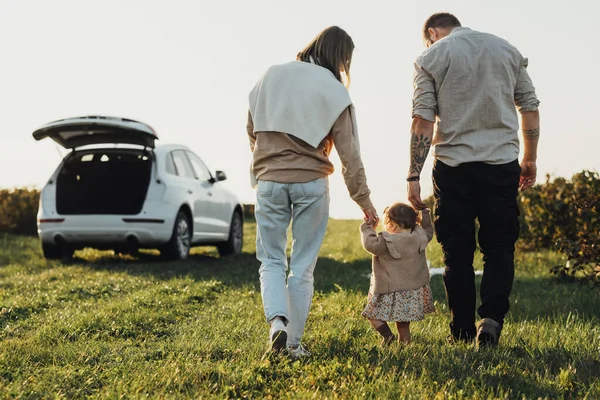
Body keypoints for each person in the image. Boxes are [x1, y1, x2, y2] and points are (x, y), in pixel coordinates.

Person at [407, 12, 541, 347]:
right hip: (501, 164)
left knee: (457, 253)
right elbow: (530, 108)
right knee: (499, 248)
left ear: (433, 32)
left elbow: (422, 121)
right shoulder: (507, 50)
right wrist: (530, 157)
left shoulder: (429, 57)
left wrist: (413, 174)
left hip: (453, 167)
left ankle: (463, 329)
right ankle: (491, 320)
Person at [247, 26, 378, 358]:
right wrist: (364, 202)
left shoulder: (269, 76)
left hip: (269, 181)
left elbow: (252, 129)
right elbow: (350, 156)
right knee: (302, 266)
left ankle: (277, 323)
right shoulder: (335, 90)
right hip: (311, 183)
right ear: (340, 58)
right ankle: (293, 343)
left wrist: (266, 163)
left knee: (271, 260)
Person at [360, 203, 435, 345]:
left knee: (372, 315)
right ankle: (404, 346)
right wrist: (424, 214)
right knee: (403, 325)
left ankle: (388, 336)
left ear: (393, 225)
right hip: (411, 292)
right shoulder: (420, 236)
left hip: (389, 291)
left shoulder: (388, 241)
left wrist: (368, 228)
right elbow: (428, 230)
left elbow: (370, 244)